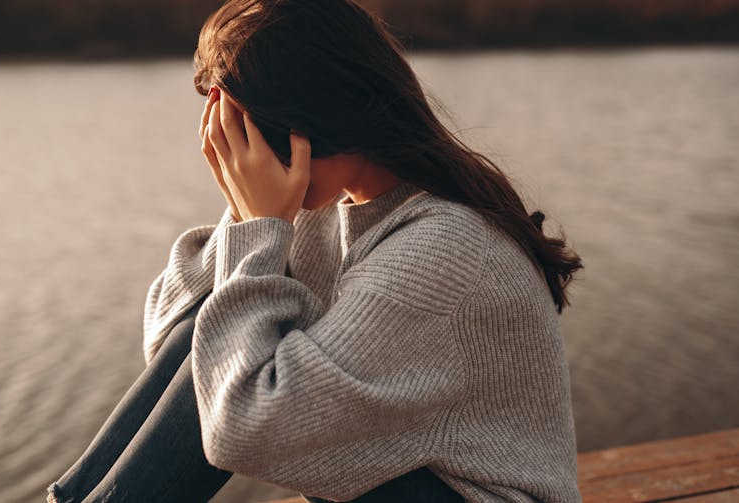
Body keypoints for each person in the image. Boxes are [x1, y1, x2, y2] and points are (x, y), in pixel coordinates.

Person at [46, 0, 584, 501]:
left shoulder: (445, 250)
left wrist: (261, 225)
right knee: (225, 333)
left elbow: (245, 427)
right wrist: (247, 214)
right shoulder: (319, 213)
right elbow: (183, 344)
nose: (245, 153)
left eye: (249, 133)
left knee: (243, 352)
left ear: (315, 117)